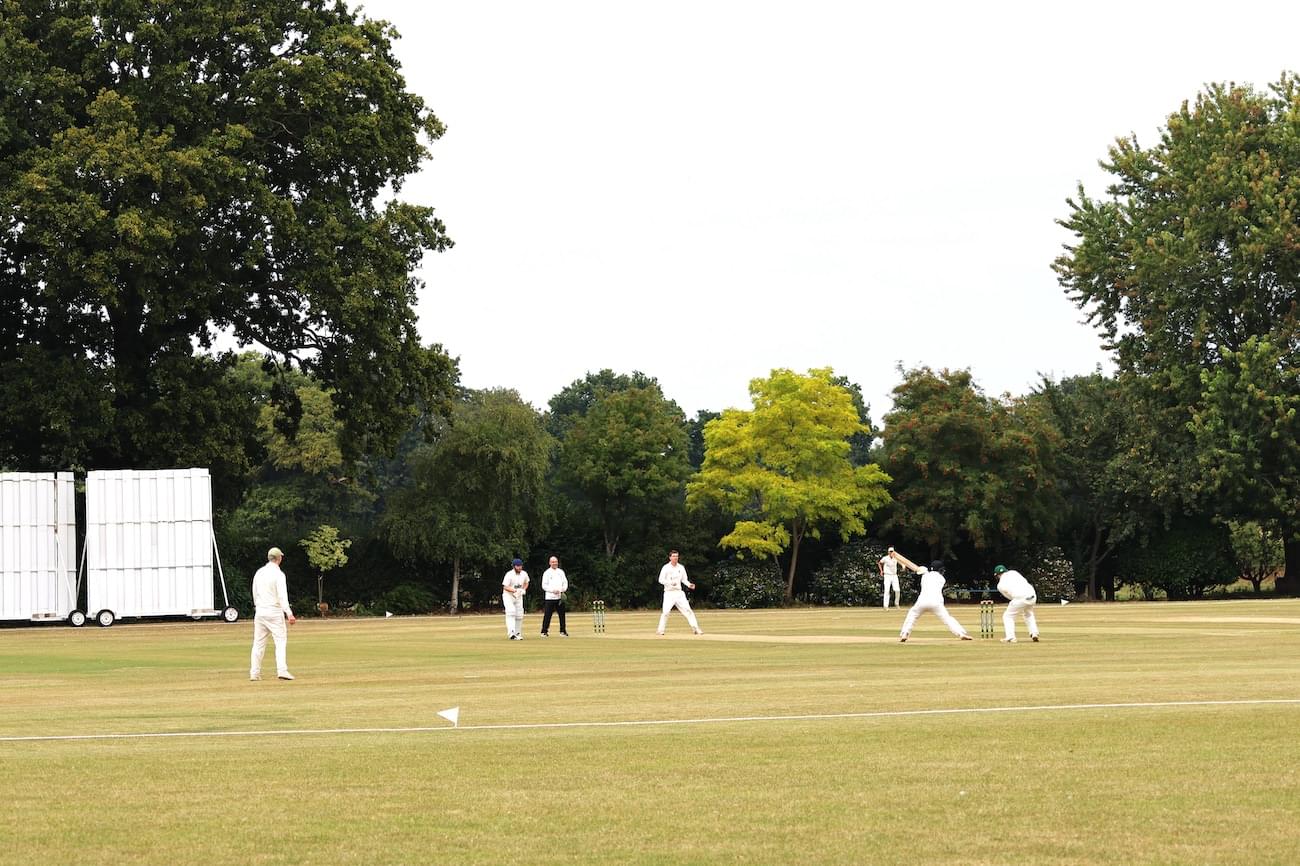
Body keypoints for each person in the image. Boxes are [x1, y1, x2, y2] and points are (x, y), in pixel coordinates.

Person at [250, 547, 296, 681]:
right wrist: (289, 613)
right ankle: (282, 670)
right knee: (280, 641)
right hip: (274, 612)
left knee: (258, 643)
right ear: (279, 558)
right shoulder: (279, 575)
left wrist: (257, 607)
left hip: (260, 611)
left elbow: (255, 592)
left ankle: (254, 672)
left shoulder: (259, 573)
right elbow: (282, 596)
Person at [899, 560, 973, 642]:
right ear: (939, 570)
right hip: (936, 603)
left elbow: (918, 570)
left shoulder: (925, 575)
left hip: (922, 601)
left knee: (912, 615)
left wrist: (922, 570)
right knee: (948, 619)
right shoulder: (942, 579)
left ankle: (905, 633)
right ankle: (961, 634)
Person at [656, 549, 702, 635]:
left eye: (676, 556)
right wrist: (670, 583)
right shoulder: (665, 567)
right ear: (670, 558)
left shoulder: (681, 567)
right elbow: (660, 580)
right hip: (669, 593)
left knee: (688, 610)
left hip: (679, 593)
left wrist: (689, 585)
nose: (675, 558)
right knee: (665, 612)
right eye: (673, 556)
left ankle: (696, 629)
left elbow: (684, 579)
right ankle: (660, 630)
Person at [994, 564, 1040, 642]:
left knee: (1008, 616)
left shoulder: (1000, 585)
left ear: (997, 575)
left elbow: (1009, 597)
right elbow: (1024, 581)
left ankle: (1011, 637)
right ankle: (1034, 633)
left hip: (1020, 598)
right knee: (1028, 614)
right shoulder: (1013, 572)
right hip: (1032, 595)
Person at [540, 555, 569, 637]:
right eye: (553, 562)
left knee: (562, 615)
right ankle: (544, 631)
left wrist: (563, 590)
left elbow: (565, 582)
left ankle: (563, 631)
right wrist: (553, 591)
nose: (554, 563)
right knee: (548, 615)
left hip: (560, 597)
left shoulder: (561, 572)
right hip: (550, 597)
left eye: (556, 562)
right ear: (550, 563)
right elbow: (544, 586)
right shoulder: (547, 573)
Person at [502, 558, 530, 640]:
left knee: (519, 615)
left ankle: (518, 632)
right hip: (508, 596)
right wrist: (515, 590)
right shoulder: (509, 574)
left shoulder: (524, 574)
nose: (519, 567)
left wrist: (523, 589)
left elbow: (526, 582)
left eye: (520, 566)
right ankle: (511, 633)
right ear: (514, 566)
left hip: (518, 596)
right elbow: (505, 587)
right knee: (511, 612)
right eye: (518, 566)